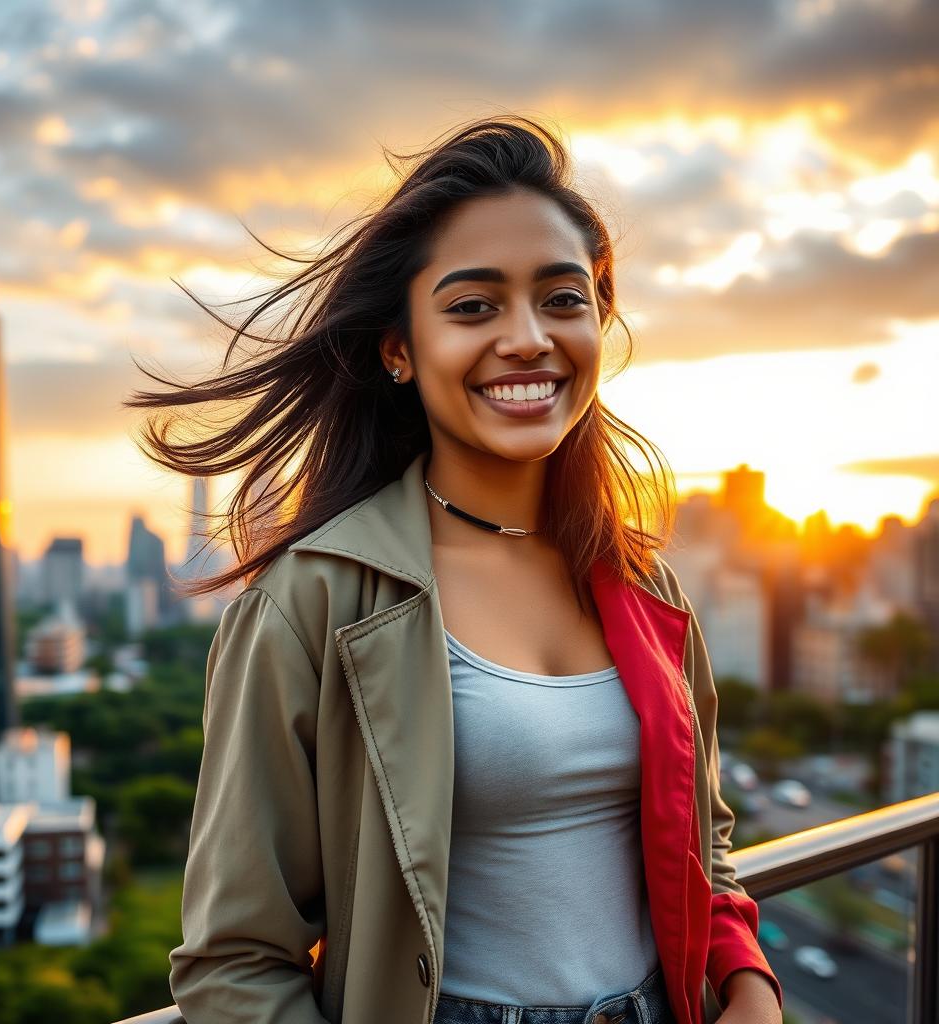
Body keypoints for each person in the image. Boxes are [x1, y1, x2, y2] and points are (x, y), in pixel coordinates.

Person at [127, 115, 784, 1024]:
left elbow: (702, 852)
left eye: (563, 299)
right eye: (474, 306)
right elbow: (237, 961)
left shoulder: (645, 587)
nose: (527, 339)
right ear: (400, 349)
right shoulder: (313, 602)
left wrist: (747, 986)